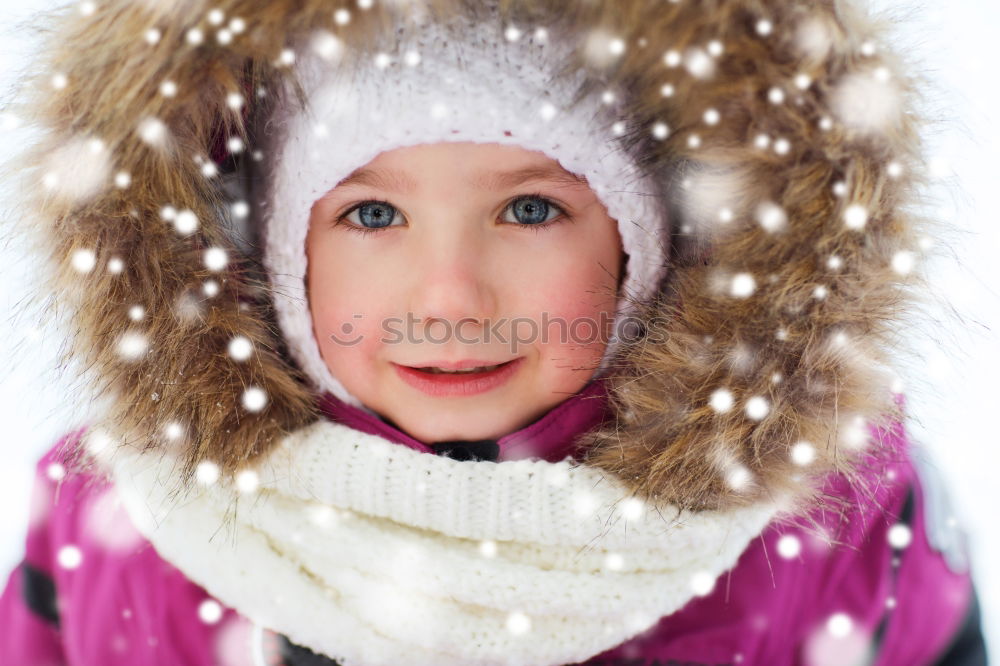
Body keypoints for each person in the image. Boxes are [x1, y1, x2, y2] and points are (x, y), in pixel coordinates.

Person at [0, 0, 988, 664]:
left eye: (529, 211)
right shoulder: (127, 519)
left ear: (651, 250)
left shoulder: (826, 509)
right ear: (273, 253)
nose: (451, 300)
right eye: (373, 217)